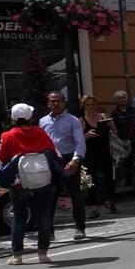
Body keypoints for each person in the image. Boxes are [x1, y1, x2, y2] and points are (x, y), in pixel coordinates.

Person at [0, 103, 60, 264]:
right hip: (42, 179)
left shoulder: (7, 136)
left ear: (13, 118)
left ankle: (17, 255)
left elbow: (2, 159)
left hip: (19, 181)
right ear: (30, 117)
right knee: (43, 216)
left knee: (19, 217)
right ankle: (43, 254)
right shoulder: (40, 133)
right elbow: (53, 152)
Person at [39, 91, 87, 241]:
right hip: (51, 160)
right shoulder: (43, 121)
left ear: (63, 102)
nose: (55, 104)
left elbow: (80, 142)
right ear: (48, 103)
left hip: (69, 159)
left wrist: (75, 160)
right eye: (52, 101)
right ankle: (49, 231)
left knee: (75, 194)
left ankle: (80, 227)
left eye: (58, 101)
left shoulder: (72, 120)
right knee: (50, 196)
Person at [80, 95, 116, 217]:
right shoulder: (81, 120)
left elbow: (114, 133)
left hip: (105, 151)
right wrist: (86, 135)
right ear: (84, 106)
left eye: (93, 104)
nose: (91, 107)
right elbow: (78, 139)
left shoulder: (103, 117)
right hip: (90, 153)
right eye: (88, 105)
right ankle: (94, 207)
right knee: (92, 180)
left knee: (109, 177)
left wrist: (111, 126)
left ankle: (110, 201)